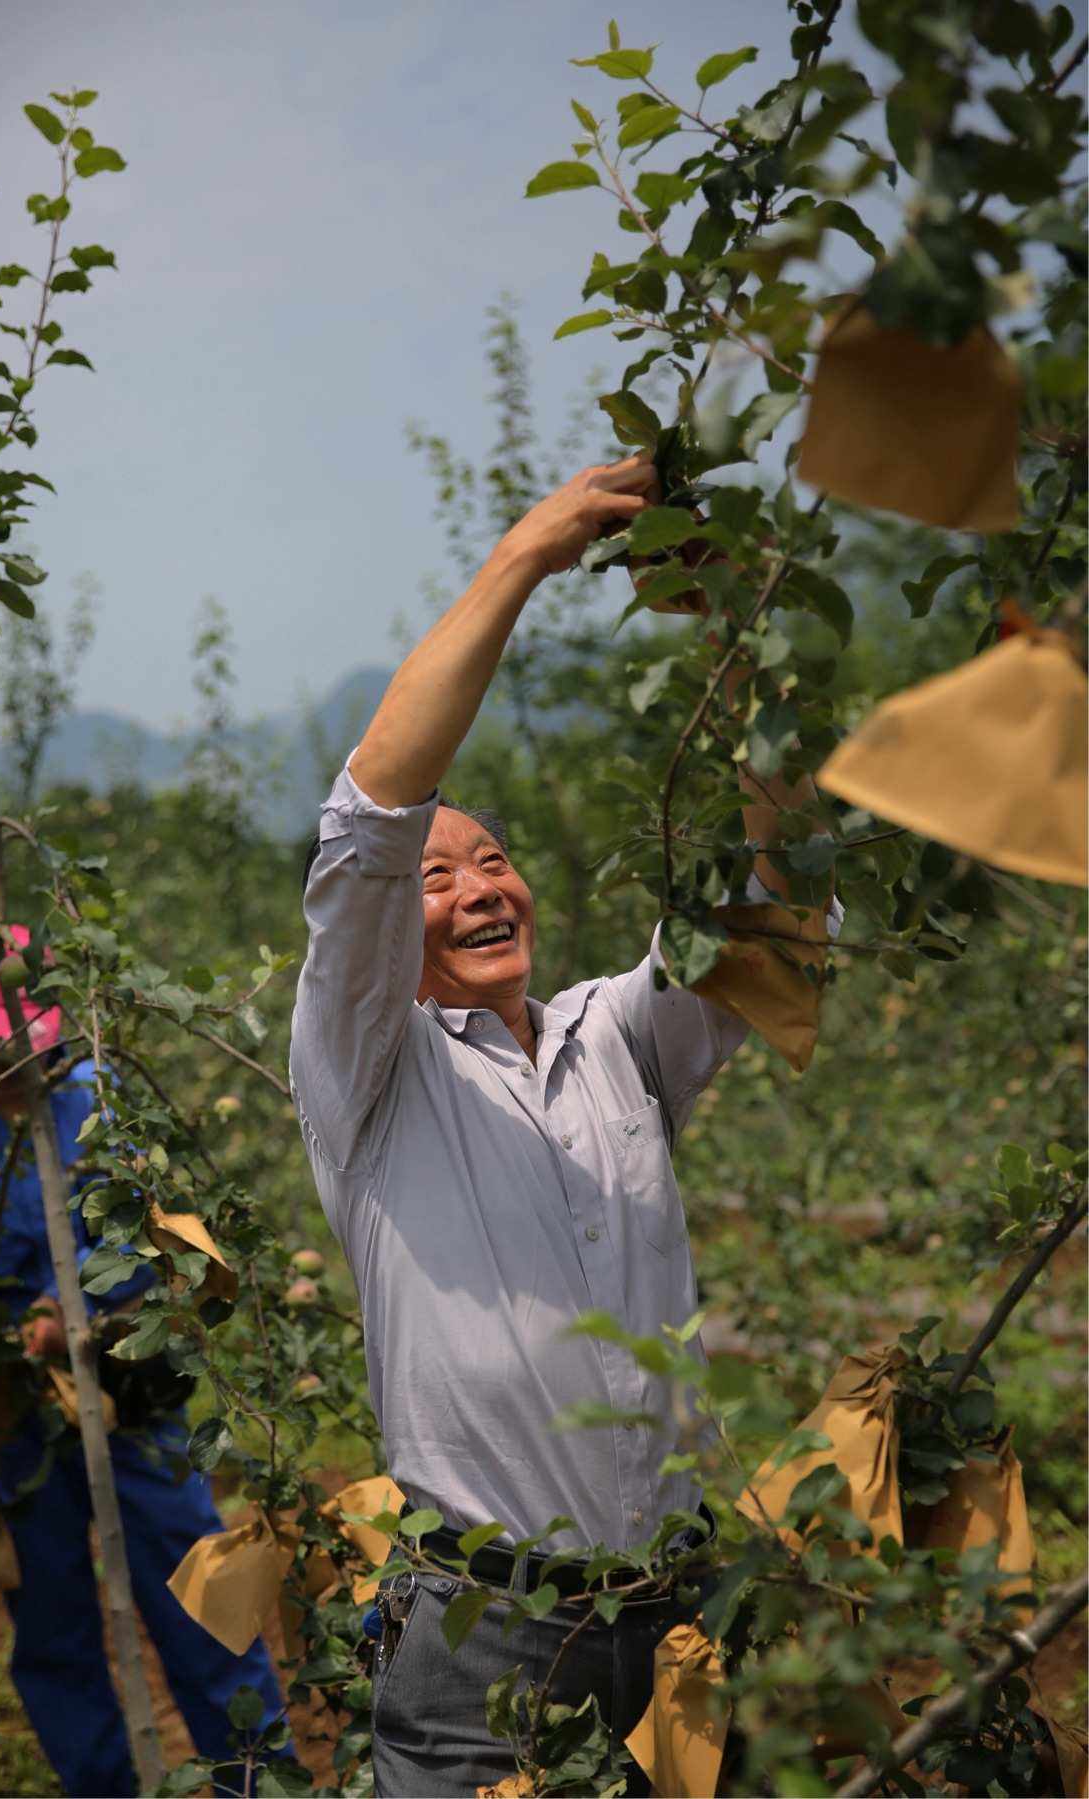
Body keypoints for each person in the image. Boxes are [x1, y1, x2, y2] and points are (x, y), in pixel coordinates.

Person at [290, 454, 839, 1795]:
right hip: (489, 1638)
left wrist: (735, 642)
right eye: (437, 876)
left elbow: (778, 896)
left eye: (491, 861)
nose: (476, 888)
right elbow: (367, 820)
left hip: (677, 1608)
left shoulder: (617, 1034)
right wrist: (522, 558)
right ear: (383, 937)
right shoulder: (370, 1070)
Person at [0, 925, 288, 1799]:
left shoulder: (95, 1102)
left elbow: (154, 1242)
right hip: (15, 1424)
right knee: (55, 1623)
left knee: (199, 1596)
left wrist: (84, 1313)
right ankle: (103, 1784)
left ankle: (259, 1780)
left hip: (127, 1395)